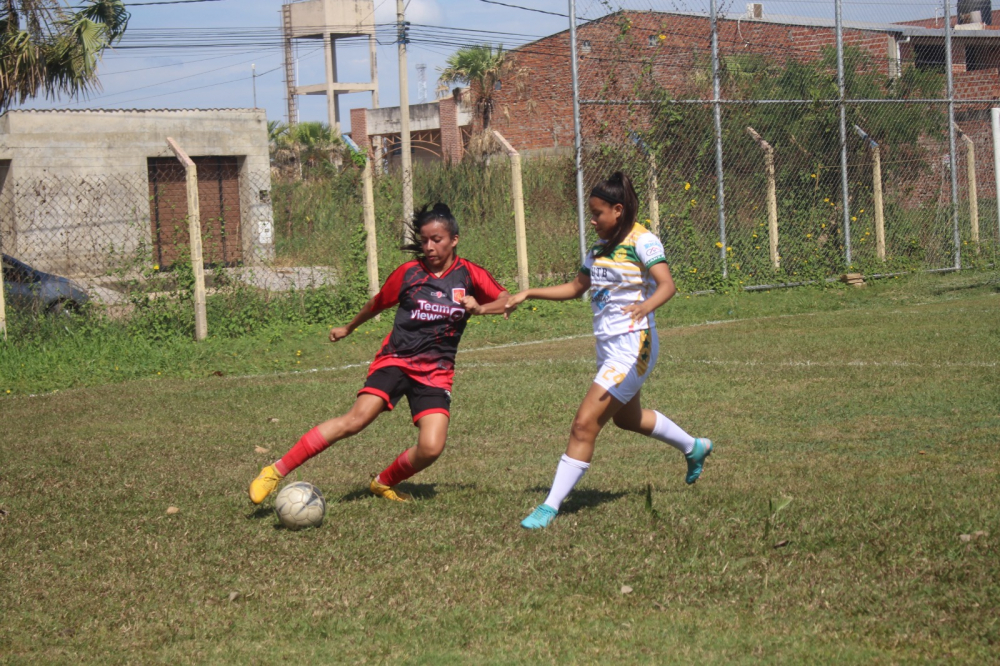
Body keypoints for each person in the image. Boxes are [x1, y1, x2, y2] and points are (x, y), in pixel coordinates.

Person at [249, 203, 509, 504]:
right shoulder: (409, 274)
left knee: (431, 447)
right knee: (355, 421)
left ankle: (383, 482)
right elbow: (377, 303)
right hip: (396, 360)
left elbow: (506, 299)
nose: (429, 247)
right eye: (424, 240)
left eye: (436, 240)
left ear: (454, 240)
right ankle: (274, 471)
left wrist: (481, 308)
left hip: (436, 371)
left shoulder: (469, 275)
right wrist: (349, 327)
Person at [505, 172, 712, 529]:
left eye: (598, 213)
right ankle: (694, 447)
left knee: (584, 424)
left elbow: (667, 284)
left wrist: (645, 308)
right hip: (608, 348)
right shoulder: (599, 247)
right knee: (627, 419)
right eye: (591, 212)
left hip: (634, 348)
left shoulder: (642, 241)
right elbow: (576, 287)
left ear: (618, 210)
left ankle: (549, 506)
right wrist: (528, 293)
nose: (593, 220)